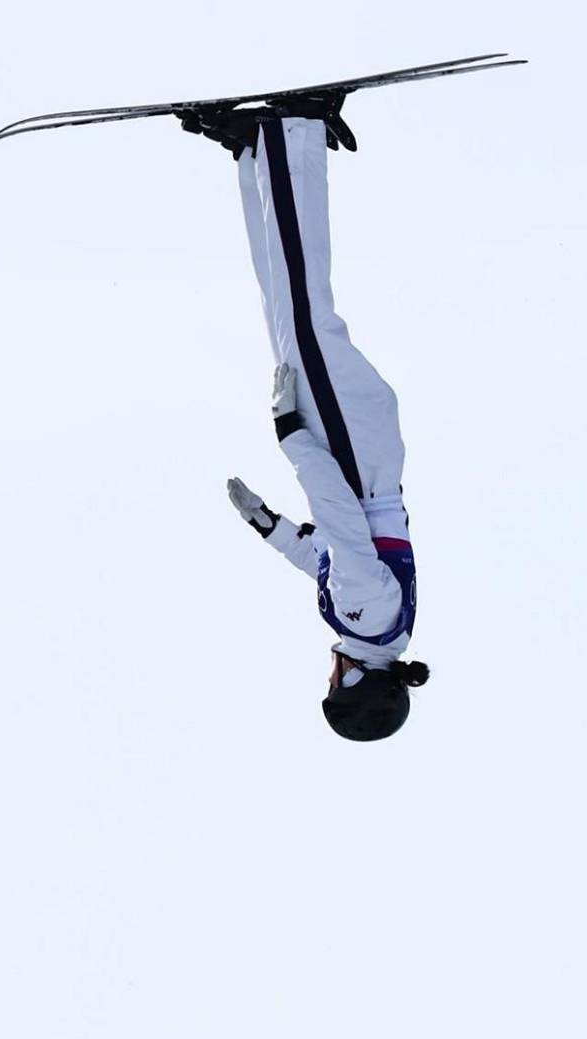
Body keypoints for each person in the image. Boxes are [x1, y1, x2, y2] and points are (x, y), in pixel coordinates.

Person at [178, 97, 430, 742]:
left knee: (287, 314)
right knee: (300, 304)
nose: (329, 677)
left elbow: (321, 553)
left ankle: (255, 152)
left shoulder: (374, 625)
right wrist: (291, 439)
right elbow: (342, 520)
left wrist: (267, 525)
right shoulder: (365, 618)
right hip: (348, 453)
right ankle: (292, 134)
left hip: (360, 451)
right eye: (335, 689)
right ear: (358, 685)